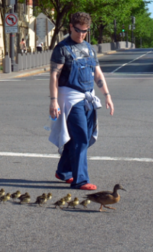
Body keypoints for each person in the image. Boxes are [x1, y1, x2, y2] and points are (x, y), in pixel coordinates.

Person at [48, 12, 114, 190]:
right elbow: (54, 75)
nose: (82, 34)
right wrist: (53, 101)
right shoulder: (62, 49)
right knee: (81, 138)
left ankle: (63, 171)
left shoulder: (89, 48)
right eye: (78, 30)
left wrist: (107, 95)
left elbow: (97, 73)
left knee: (79, 136)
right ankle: (81, 180)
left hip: (88, 97)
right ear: (70, 27)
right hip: (70, 98)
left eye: (85, 31)